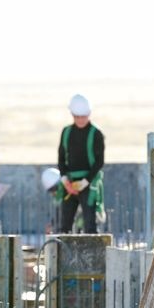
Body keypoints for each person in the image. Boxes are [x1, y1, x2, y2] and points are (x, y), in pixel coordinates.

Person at [57, 93, 105, 233]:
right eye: (77, 117)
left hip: (88, 183)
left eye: (83, 116)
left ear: (89, 114)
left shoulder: (96, 133)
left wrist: (84, 182)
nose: (80, 120)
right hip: (70, 183)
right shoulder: (66, 132)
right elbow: (61, 159)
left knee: (90, 223)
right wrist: (66, 181)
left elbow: (99, 162)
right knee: (65, 224)